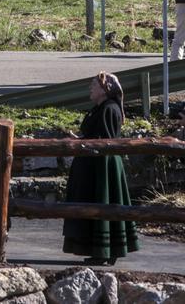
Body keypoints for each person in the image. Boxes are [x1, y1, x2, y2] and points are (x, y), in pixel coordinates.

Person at [63, 72, 140, 265]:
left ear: (105, 90)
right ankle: (101, 251)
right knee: (95, 205)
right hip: (95, 166)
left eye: (94, 85)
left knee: (101, 204)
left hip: (102, 169)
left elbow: (103, 141)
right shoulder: (101, 108)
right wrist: (80, 141)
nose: (90, 88)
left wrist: (84, 143)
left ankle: (104, 251)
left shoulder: (109, 109)